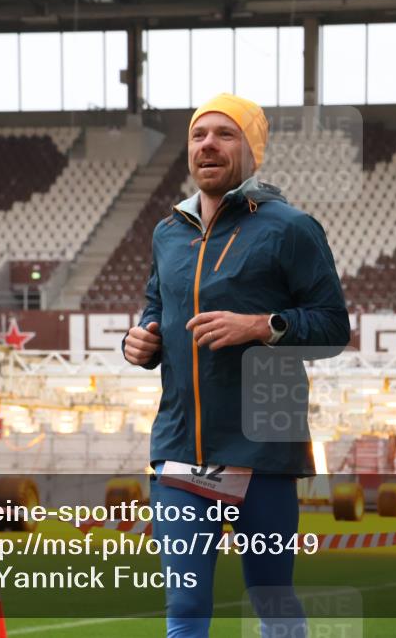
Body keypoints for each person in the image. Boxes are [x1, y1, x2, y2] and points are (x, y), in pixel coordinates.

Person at [123, 92, 350, 638]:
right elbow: (157, 307)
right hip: (180, 450)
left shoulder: (291, 228)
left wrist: (261, 326)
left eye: (225, 134)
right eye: (199, 135)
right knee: (185, 608)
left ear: (252, 151)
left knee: (271, 602)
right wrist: (140, 340)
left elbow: (332, 328)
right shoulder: (167, 232)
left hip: (262, 449)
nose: (208, 145)